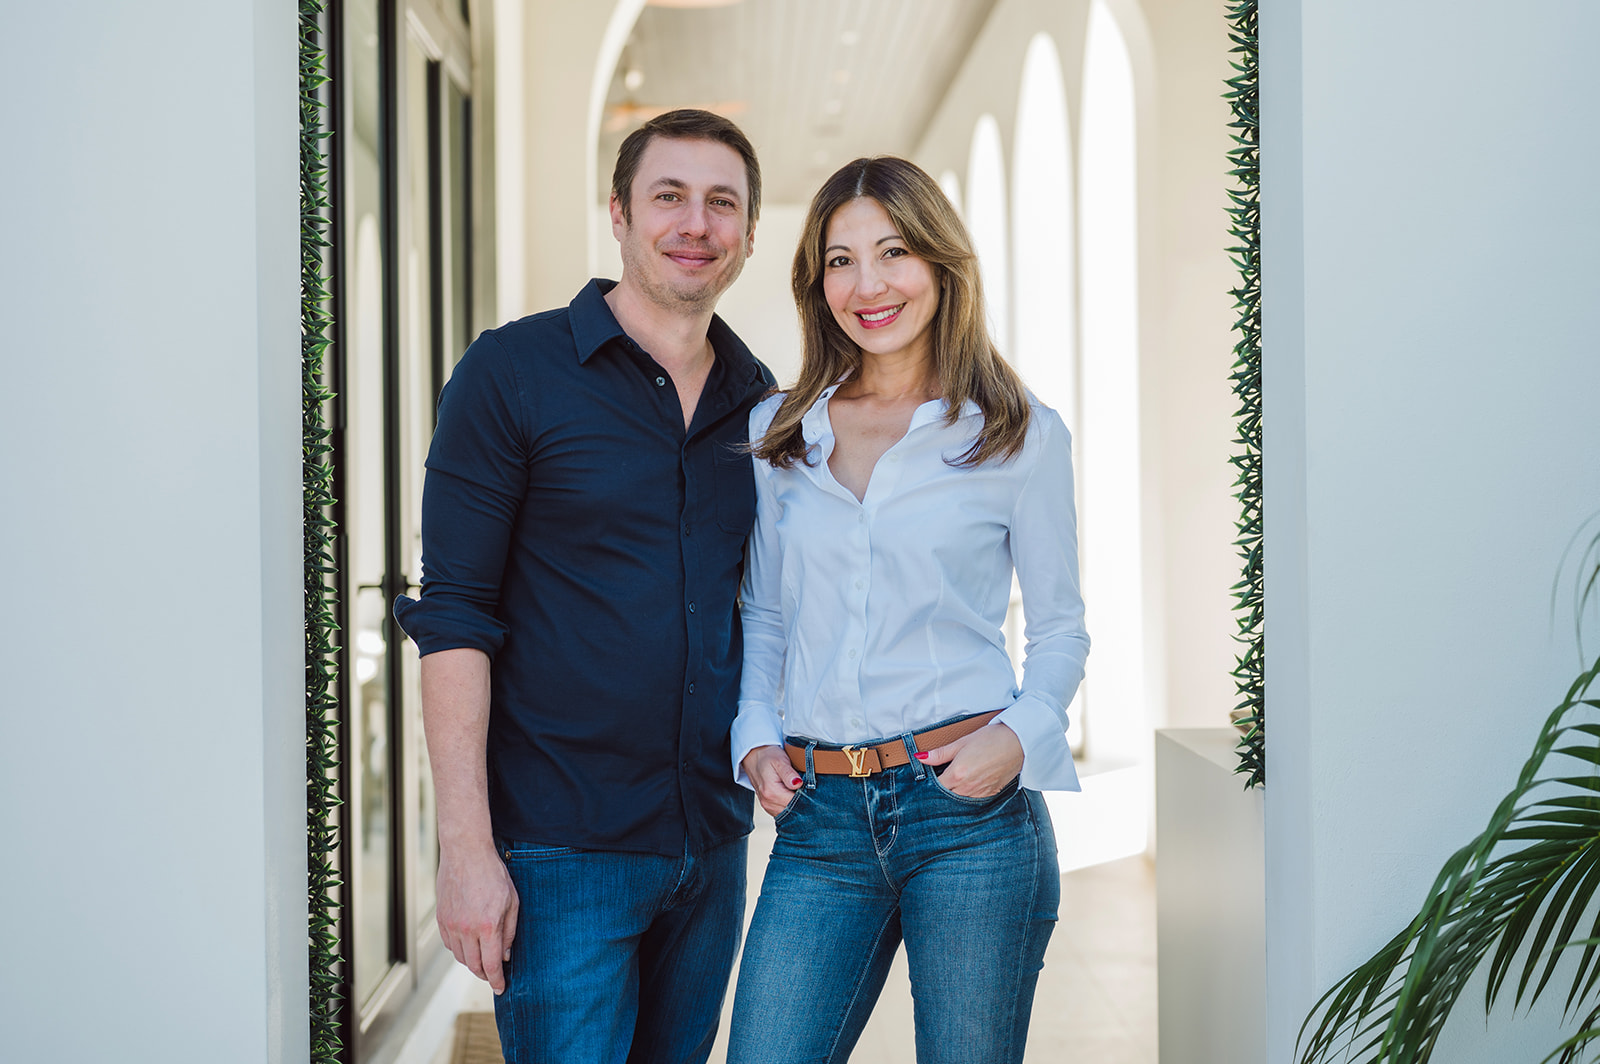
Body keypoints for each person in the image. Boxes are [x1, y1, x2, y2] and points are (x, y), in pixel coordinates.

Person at [392, 109, 774, 1064]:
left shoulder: (760, 401)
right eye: (669, 197)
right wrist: (466, 852)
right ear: (618, 212)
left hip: (711, 843)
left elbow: (764, 610)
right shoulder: (512, 374)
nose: (696, 223)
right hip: (561, 852)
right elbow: (455, 622)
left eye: (721, 203)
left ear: (749, 234)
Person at [725, 156, 1089, 1064]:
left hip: (967, 812)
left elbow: (1060, 626)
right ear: (817, 284)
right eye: (840, 260)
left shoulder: (1016, 433)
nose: (868, 283)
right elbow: (764, 613)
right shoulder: (782, 431)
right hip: (818, 820)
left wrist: (1022, 734)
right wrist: (756, 735)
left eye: (892, 252)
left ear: (940, 263)